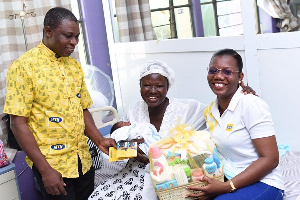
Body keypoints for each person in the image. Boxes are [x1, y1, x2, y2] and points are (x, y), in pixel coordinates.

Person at [89, 60, 256, 200]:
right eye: (147, 85)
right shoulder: (133, 110)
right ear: (140, 86)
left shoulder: (187, 108)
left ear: (167, 87)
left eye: (159, 86)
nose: (152, 91)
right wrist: (130, 149)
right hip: (134, 173)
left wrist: (239, 94)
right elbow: (113, 150)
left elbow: (218, 111)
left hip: (171, 178)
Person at [4, 7, 116, 200]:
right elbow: (18, 123)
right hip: (53, 167)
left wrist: (99, 140)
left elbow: (83, 109)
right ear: (48, 31)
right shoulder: (23, 67)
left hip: (83, 161)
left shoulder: (74, 66)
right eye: (68, 36)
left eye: (77, 37)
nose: (74, 42)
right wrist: (45, 170)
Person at [186, 49, 285, 199]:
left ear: (240, 77)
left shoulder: (251, 104)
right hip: (229, 177)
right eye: (213, 70)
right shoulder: (210, 111)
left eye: (227, 72)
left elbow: (271, 159)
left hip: (263, 182)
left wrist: (226, 186)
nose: (219, 76)